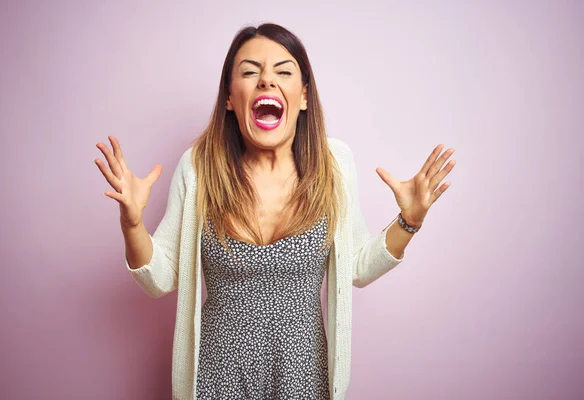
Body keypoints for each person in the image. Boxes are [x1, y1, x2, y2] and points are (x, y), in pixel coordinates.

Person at [94, 23, 455, 400]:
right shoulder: (198, 168)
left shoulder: (334, 166)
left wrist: (409, 221)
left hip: (303, 378)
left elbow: (359, 267)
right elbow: (160, 277)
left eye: (283, 72)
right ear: (231, 98)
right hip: (218, 379)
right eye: (250, 72)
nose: (266, 80)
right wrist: (132, 224)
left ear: (302, 97)